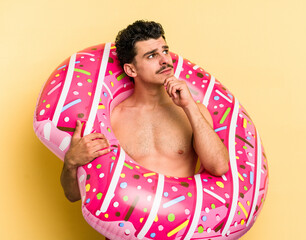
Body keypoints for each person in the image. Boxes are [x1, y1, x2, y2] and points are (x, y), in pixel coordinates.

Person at [60, 20, 229, 203]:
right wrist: (71, 163)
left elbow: (219, 167)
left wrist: (189, 106)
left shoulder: (194, 111)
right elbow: (74, 196)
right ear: (131, 69)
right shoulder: (113, 119)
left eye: (165, 51)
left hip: (178, 224)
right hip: (124, 228)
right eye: (151, 56)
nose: (165, 60)